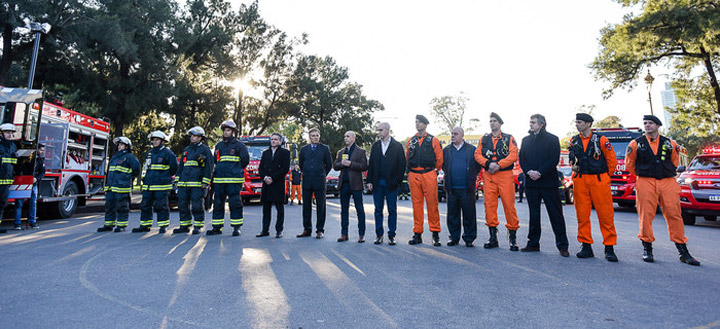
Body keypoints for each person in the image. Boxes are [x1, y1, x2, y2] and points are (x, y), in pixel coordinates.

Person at [625, 115, 700, 266]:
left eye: (650, 123)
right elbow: (630, 164)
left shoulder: (670, 143)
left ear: (658, 125)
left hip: (667, 181)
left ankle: (683, 251)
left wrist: (663, 172)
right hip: (646, 181)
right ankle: (647, 249)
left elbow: (674, 160)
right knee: (645, 215)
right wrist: (645, 174)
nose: (647, 125)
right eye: (645, 123)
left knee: (674, 214)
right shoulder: (635, 144)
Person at [568, 113, 618, 261]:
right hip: (580, 180)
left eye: (580, 122)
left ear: (589, 124)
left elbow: (612, 161)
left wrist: (605, 177)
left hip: (599, 180)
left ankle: (609, 247)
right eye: (576, 122)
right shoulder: (574, 140)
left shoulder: (601, 140)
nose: (577, 124)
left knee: (605, 215)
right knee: (582, 215)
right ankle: (586, 246)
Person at [518, 114, 570, 257]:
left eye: (533, 122)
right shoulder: (526, 140)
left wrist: (540, 172)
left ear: (541, 124)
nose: (531, 124)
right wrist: (529, 172)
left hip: (548, 183)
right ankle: (533, 244)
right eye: (530, 122)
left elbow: (553, 159)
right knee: (534, 215)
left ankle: (563, 246)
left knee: (556, 215)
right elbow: (522, 159)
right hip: (531, 183)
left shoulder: (552, 139)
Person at [474, 112, 520, 251]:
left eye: (494, 121)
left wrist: (499, 165)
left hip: (505, 174)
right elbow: (477, 154)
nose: (492, 123)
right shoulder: (484, 139)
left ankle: (512, 238)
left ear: (500, 123)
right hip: (489, 175)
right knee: (489, 205)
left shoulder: (508, 138)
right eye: (491, 121)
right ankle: (493, 238)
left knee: (509, 206)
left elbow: (513, 155)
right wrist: (488, 164)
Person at [406, 114, 444, 246]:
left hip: (429, 173)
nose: (417, 124)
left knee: (432, 204)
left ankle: (435, 233)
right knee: (416, 205)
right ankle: (417, 233)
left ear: (425, 124)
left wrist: (434, 170)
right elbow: (407, 157)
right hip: (414, 174)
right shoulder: (411, 140)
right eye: (416, 122)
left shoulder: (433, 140)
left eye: (420, 122)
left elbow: (439, 158)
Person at [366, 122, 406, 245]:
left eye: (381, 130)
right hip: (378, 183)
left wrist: (397, 181)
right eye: (378, 130)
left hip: (391, 184)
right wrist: (370, 181)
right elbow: (371, 165)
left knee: (392, 210)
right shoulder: (376, 146)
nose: (378, 133)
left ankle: (391, 235)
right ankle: (379, 235)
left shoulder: (397, 146)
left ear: (388, 130)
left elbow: (402, 165)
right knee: (378, 210)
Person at [209, 120, 250, 236]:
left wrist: (235, 170)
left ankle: (236, 228)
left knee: (235, 203)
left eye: (228, 130)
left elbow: (245, 161)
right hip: (219, 181)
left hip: (234, 180)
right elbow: (215, 161)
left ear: (233, 132)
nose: (226, 133)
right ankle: (216, 227)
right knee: (217, 203)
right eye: (225, 130)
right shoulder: (218, 146)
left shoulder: (239, 146)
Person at [132, 131, 178, 234]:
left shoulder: (168, 153)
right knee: (145, 205)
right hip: (149, 185)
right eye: (153, 140)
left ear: (162, 141)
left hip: (161, 186)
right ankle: (145, 225)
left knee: (161, 205)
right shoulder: (150, 153)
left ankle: (163, 226)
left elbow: (174, 168)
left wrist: (164, 177)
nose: (154, 141)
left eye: (157, 140)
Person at [443, 127, 480, 247]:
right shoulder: (446, 150)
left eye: (455, 134)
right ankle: (454, 238)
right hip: (451, 188)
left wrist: (471, 178)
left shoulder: (471, 150)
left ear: (462, 135)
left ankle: (469, 238)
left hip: (467, 188)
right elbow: (444, 166)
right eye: (452, 134)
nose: (453, 136)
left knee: (469, 214)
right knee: (452, 214)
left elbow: (477, 166)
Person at [173, 126, 213, 235]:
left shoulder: (205, 150)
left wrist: (205, 182)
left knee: (197, 205)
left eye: (195, 136)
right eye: (192, 136)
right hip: (184, 183)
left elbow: (209, 167)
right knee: (182, 204)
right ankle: (184, 226)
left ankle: (198, 226)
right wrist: (177, 180)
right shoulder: (186, 150)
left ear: (200, 138)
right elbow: (181, 166)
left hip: (197, 183)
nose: (192, 138)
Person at [98, 137, 141, 232]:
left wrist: (127, 178)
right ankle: (108, 225)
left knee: (122, 207)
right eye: (118, 144)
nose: (119, 146)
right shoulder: (115, 157)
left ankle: (121, 226)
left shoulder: (130, 157)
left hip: (122, 188)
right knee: (109, 206)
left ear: (127, 146)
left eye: (121, 145)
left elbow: (136, 169)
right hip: (111, 187)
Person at [333, 131, 369, 243]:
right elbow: (335, 166)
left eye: (348, 136)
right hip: (344, 185)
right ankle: (344, 234)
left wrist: (351, 164)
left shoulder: (361, 151)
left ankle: (361, 234)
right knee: (344, 210)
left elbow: (364, 166)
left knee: (359, 210)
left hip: (356, 185)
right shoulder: (341, 152)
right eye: (345, 136)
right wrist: (342, 164)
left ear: (353, 138)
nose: (346, 138)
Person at [297, 128, 333, 239]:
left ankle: (320, 230)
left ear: (319, 136)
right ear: (309, 137)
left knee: (321, 206)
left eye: (317, 135)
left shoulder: (325, 149)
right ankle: (307, 229)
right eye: (313, 135)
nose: (315, 137)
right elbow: (301, 164)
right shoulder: (303, 149)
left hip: (320, 181)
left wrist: (321, 173)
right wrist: (308, 173)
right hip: (307, 181)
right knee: (306, 206)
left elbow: (329, 164)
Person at [257, 133, 291, 238]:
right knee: (266, 209)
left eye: (276, 139)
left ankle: (279, 231)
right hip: (266, 184)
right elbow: (260, 168)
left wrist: (273, 178)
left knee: (279, 209)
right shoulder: (265, 153)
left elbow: (285, 169)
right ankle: (265, 230)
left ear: (280, 141)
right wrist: (264, 177)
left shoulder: (285, 153)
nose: (273, 141)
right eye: (272, 139)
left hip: (278, 184)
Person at [14, 143, 44, 230]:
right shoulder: (25, 158)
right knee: (19, 203)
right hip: (22, 183)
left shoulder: (40, 160)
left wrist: (37, 179)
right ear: (37, 149)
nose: (42, 152)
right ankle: (17, 224)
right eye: (41, 150)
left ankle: (32, 222)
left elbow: (42, 172)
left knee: (33, 203)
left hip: (33, 184)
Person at [0, 123, 18, 234]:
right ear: (1, 133)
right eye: (7, 132)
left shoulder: (12, 145)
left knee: (2, 203)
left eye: (11, 133)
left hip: (6, 180)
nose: (10, 135)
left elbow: (12, 163)